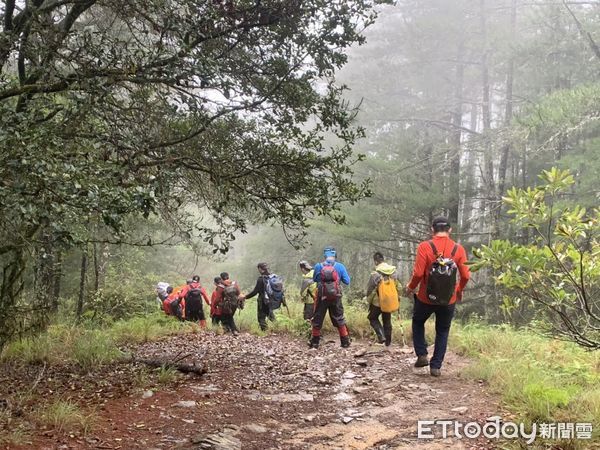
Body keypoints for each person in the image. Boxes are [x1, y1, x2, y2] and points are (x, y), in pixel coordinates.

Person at [406, 216, 470, 377]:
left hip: (425, 297)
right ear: (449, 230)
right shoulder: (458, 249)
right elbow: (466, 276)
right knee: (442, 330)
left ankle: (421, 354)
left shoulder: (424, 247)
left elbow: (419, 273)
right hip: (449, 299)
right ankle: (436, 367)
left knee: (418, 321)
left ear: (432, 230)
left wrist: (410, 287)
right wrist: (459, 290)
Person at [310, 247, 351, 349]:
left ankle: (315, 342)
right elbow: (347, 281)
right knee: (339, 317)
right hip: (336, 296)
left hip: (322, 296)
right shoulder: (340, 266)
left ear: (325, 256)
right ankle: (345, 341)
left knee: (318, 318)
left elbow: (315, 279)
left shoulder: (318, 266)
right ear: (334, 256)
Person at [366, 252, 401, 346]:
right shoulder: (394, 272)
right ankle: (388, 343)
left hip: (378, 301)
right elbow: (399, 286)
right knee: (387, 320)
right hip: (390, 299)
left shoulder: (375, 274)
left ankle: (381, 336)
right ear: (383, 259)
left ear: (376, 261)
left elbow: (370, 289)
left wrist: (368, 300)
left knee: (372, 318)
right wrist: (398, 297)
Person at [240, 263, 276, 331]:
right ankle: (279, 329)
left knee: (261, 317)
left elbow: (255, 292)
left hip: (262, 301)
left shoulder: (261, 279)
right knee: (271, 316)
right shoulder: (272, 277)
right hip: (271, 300)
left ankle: (264, 332)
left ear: (260, 268)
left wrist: (245, 297)